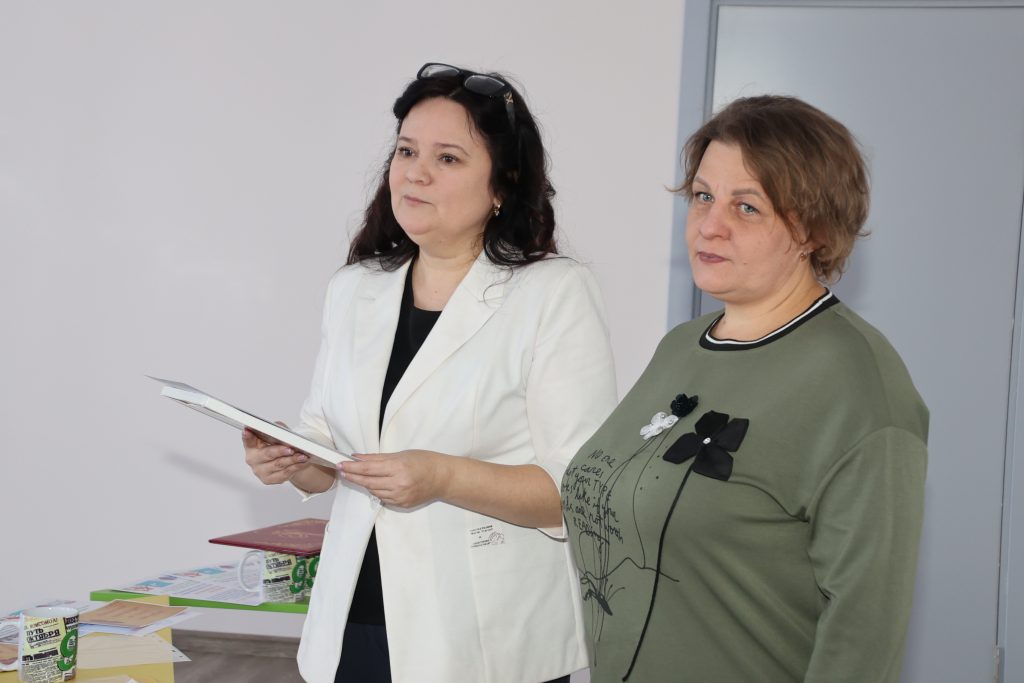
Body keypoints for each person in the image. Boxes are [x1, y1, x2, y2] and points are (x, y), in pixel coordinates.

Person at [242, 63, 617, 683]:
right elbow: (330, 448)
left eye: (447, 158)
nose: (415, 173)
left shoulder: (553, 293)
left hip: (485, 635)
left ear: (502, 185)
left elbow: (574, 492)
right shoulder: (355, 289)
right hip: (356, 618)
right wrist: (292, 457)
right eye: (406, 151)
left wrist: (441, 476)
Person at [561, 95, 928, 682]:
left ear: (812, 229)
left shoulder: (858, 385)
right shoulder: (682, 346)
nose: (710, 225)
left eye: (747, 206)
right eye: (703, 196)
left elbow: (864, 633)